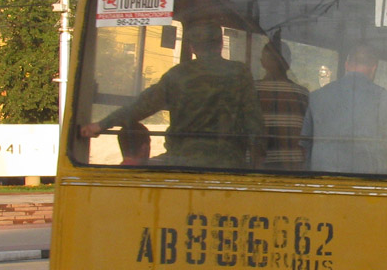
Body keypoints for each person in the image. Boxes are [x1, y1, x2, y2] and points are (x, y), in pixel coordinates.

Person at [80, 20, 264, 168]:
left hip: (182, 165)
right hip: (228, 164)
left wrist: (101, 125)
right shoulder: (239, 73)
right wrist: (258, 163)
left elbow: (141, 106)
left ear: (192, 47)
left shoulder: (178, 75)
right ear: (221, 43)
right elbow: (254, 121)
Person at [301, 43, 387, 174]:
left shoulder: (316, 97)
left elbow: (305, 144)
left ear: (346, 65)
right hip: (368, 183)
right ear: (374, 68)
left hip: (323, 182)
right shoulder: (383, 98)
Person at [254, 40, 309, 170]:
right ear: (289, 64)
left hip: (257, 168)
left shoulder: (251, 90)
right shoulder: (303, 95)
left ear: (262, 63)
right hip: (293, 168)